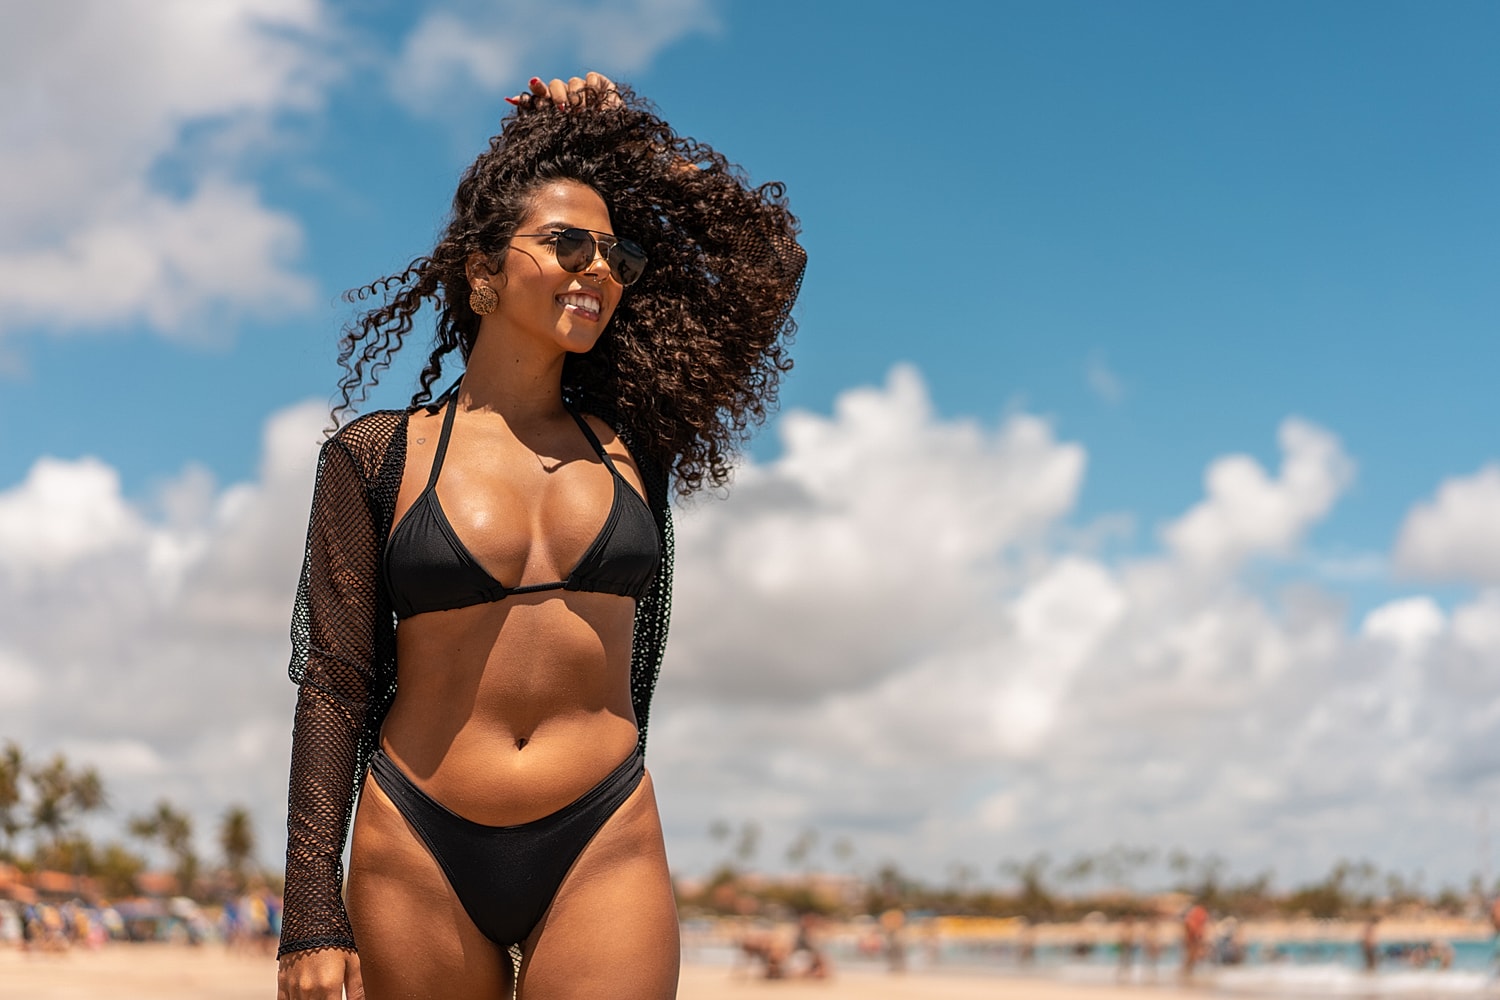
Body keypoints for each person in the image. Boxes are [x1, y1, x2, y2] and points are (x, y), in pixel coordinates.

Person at [274, 72, 804, 1000]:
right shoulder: (377, 456)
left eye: (614, 253)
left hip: (602, 835)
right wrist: (311, 916)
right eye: (566, 244)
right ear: (483, 269)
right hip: (417, 840)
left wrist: (625, 143)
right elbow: (334, 681)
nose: (596, 268)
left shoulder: (634, 438)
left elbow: (769, 263)